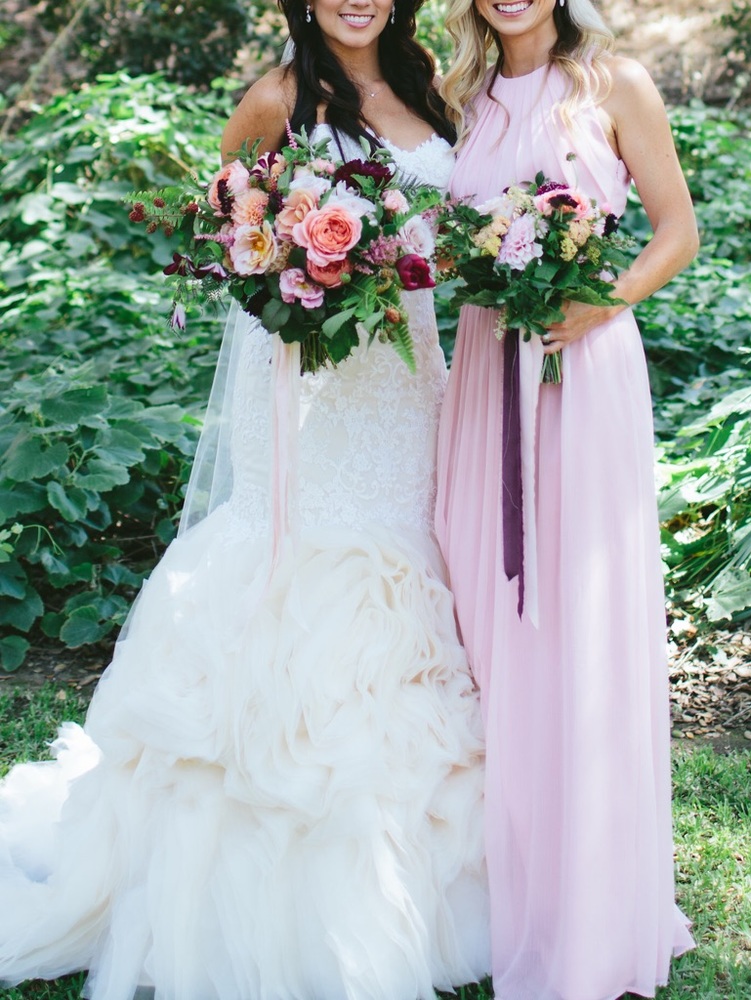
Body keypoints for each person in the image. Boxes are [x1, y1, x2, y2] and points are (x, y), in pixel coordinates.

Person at [0, 3, 489, 998]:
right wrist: (306, 274)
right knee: (310, 587)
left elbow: (461, 226)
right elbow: (219, 224)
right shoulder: (279, 96)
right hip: (317, 398)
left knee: (407, 585)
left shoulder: (433, 85)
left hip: (414, 391)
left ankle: (418, 876)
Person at [434, 1, 700, 998]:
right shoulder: (456, 97)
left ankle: (591, 903)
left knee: (578, 621)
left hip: (580, 368)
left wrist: (609, 297)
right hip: (478, 375)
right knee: (484, 613)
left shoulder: (614, 82)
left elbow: (680, 228)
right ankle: (494, 893)